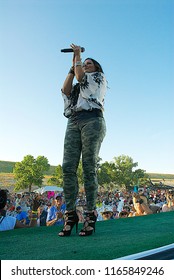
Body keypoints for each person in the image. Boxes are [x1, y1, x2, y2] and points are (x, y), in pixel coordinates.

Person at [59, 43, 107, 237]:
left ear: (96, 68)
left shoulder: (97, 78)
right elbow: (65, 89)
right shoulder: (79, 85)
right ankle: (71, 215)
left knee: (88, 167)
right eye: (83, 63)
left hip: (92, 120)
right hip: (74, 120)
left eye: (89, 63)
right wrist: (72, 67)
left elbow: (81, 77)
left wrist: (78, 55)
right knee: (68, 167)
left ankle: (90, 214)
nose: (85, 65)